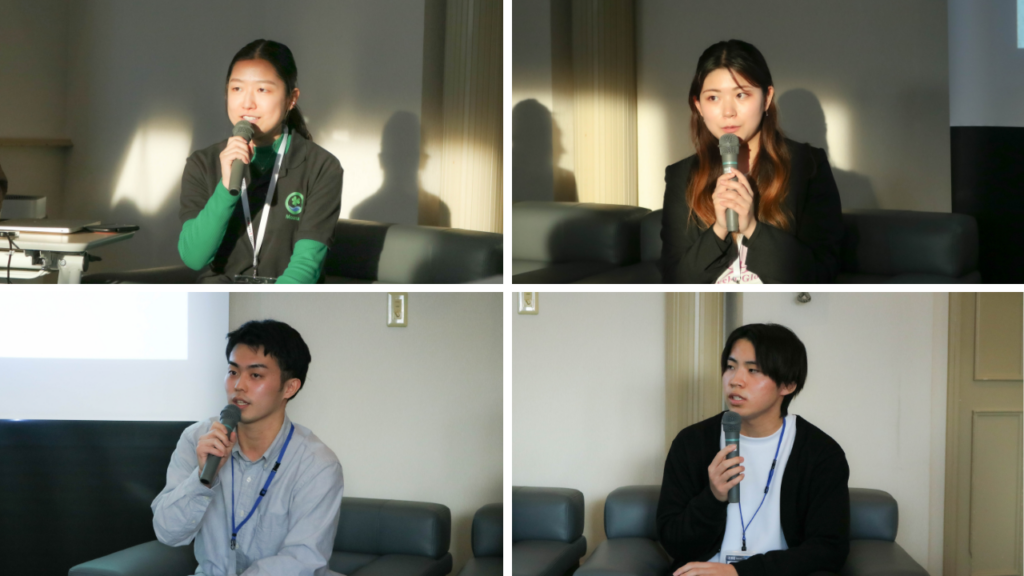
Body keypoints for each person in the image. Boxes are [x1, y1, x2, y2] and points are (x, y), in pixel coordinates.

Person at [152, 320, 344, 576]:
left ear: (289, 387)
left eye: (255, 375)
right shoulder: (198, 438)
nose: (238, 386)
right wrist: (202, 480)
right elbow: (168, 533)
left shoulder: (317, 464)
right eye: (233, 372)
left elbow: (301, 560)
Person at [657, 323, 849, 576]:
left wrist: (739, 573)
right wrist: (712, 497)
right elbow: (674, 541)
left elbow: (828, 549)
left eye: (753, 370)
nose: (735, 380)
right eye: (730, 367)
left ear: (788, 385)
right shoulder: (692, 442)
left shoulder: (820, 453)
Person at [661, 40, 843, 284]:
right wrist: (719, 230)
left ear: (766, 98)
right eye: (713, 98)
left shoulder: (807, 166)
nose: (728, 112)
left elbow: (821, 275)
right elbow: (675, 281)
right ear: (699, 106)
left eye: (741, 94)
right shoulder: (681, 176)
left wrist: (751, 229)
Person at [178, 39, 343, 283]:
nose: (247, 103)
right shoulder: (202, 163)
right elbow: (194, 258)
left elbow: (306, 266)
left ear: (291, 98)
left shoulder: (321, 166)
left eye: (262, 90)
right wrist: (225, 189)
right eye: (237, 89)